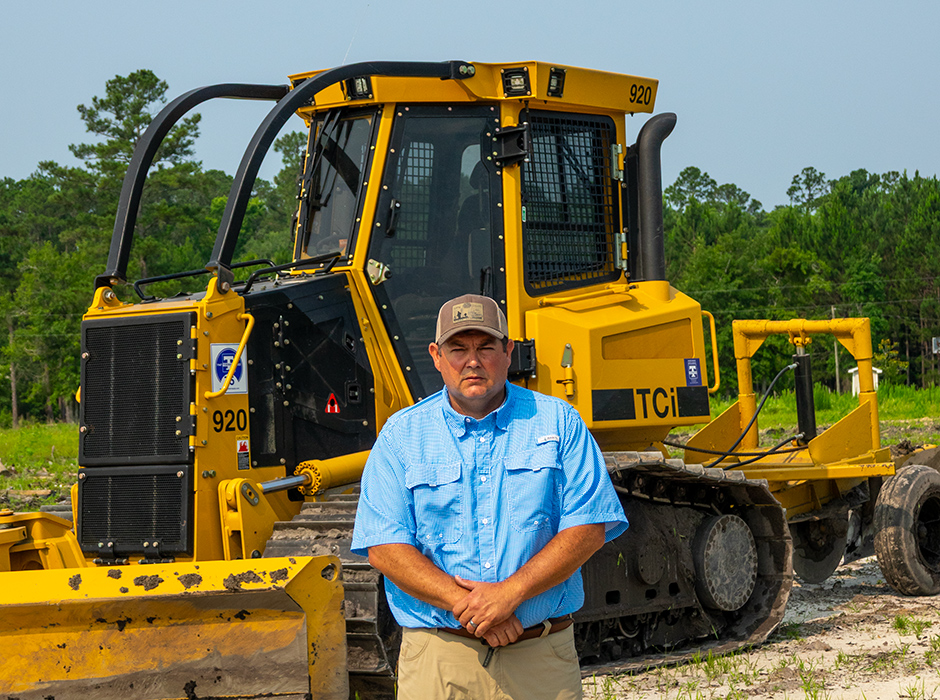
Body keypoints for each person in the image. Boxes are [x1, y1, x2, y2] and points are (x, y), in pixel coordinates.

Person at [351, 294, 628, 700]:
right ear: (437, 355)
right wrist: (478, 608)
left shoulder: (560, 422)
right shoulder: (401, 437)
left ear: (509, 351)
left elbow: (587, 527)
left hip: (540, 659)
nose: (473, 361)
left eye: (486, 347)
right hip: (439, 660)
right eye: (458, 349)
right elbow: (385, 547)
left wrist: (510, 593)